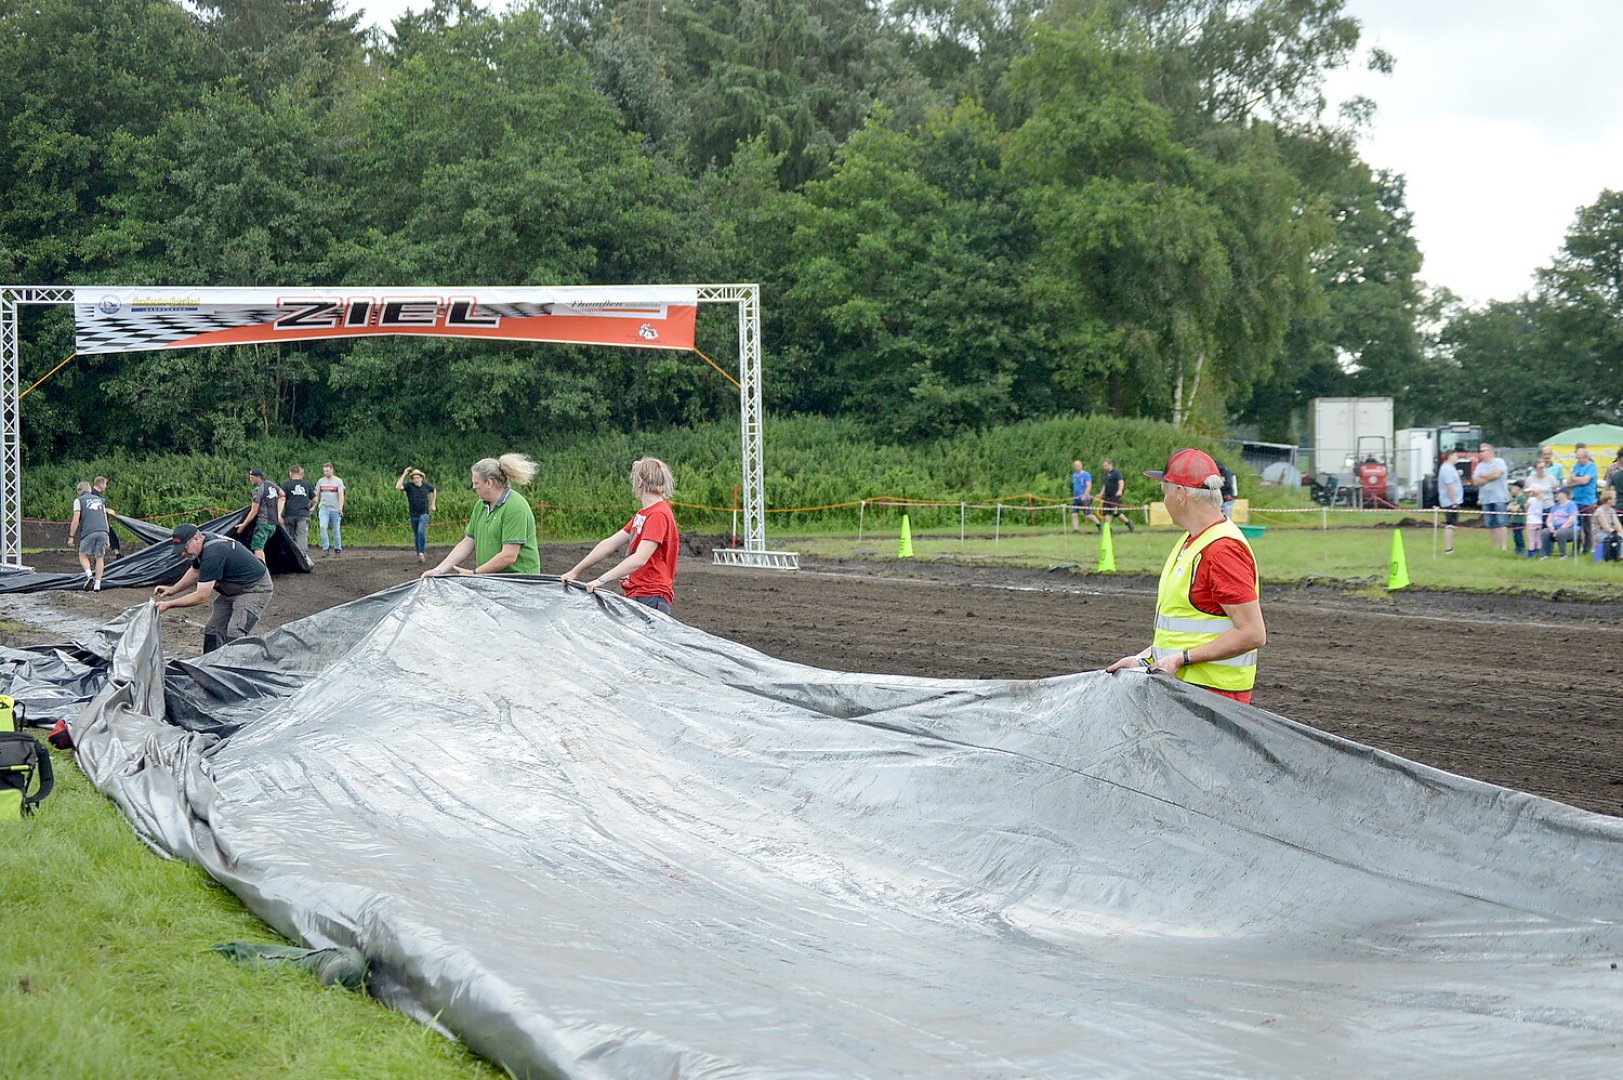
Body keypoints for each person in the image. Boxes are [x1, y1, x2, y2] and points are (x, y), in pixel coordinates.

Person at [1105, 449, 1265, 704]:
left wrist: (1181, 659)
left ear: (1180, 494)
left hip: (1212, 699)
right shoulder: (1193, 541)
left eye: (1164, 492)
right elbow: (1183, 632)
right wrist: (1141, 660)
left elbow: (1252, 633)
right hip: (1187, 693)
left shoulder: (1222, 551)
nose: (1164, 500)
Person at [561, 459, 681, 613]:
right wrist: (575, 571)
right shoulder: (643, 515)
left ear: (639, 482)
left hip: (650, 596)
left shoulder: (658, 514)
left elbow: (640, 558)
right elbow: (609, 544)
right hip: (638, 594)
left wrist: (601, 580)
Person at [154, 523, 273, 653]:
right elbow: (195, 571)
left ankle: (239, 670)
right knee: (213, 630)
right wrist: (172, 590)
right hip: (231, 590)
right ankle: (209, 668)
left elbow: (201, 596)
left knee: (236, 632)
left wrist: (169, 604)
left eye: (184, 547)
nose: (183, 553)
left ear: (196, 539)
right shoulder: (201, 546)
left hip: (255, 589)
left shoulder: (213, 552)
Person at [422, 454, 539, 577]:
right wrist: (438, 570)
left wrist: (474, 573)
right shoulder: (481, 506)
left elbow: (509, 556)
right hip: (493, 579)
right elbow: (469, 541)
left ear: (489, 482)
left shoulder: (515, 508)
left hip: (519, 583)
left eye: (476, 483)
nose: (473, 487)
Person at [66, 480, 110, 591]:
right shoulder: (101, 500)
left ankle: (89, 575)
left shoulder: (79, 500)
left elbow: (76, 520)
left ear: (80, 490)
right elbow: (105, 519)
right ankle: (97, 585)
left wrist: (71, 536)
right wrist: (107, 536)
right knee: (100, 557)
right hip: (103, 531)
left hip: (89, 531)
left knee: (83, 555)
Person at [236, 468, 281, 563]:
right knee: (261, 545)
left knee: (257, 546)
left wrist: (243, 525)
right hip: (273, 523)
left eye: (252, 477)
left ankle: (262, 572)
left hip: (263, 523)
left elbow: (254, 511)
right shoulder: (271, 485)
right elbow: (283, 495)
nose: (250, 479)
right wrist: (279, 513)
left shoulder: (258, 490)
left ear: (258, 477)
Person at [1472, 442, 1510, 552]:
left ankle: (1503, 547)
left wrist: (1483, 476)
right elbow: (1475, 481)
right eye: (1480, 451)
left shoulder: (1499, 462)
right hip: (1486, 499)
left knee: (1502, 522)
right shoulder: (1480, 466)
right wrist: (1490, 477)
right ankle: (1495, 547)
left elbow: (1497, 475)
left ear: (1490, 451)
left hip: (1499, 497)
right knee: (1491, 524)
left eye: (1483, 451)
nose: (1481, 453)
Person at [396, 467, 438, 564]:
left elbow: (434, 490)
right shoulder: (409, 486)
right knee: (416, 535)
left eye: (417, 477)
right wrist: (404, 474)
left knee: (420, 531)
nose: (416, 479)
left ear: (421, 478)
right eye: (414, 478)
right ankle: (418, 553)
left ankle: (421, 552)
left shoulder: (426, 486)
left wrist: (433, 504)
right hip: (413, 514)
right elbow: (398, 487)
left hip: (424, 513)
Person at [1566, 443, 1598, 553]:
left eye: (1579, 458)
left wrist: (1576, 480)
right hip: (1576, 500)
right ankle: (1576, 548)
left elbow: (1586, 481)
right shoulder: (1577, 466)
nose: (1578, 460)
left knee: (1587, 527)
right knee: (1576, 526)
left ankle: (1587, 549)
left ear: (1586, 457)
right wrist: (1578, 480)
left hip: (1588, 501)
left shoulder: (1591, 466)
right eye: (1577, 458)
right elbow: (1570, 480)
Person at [1437, 449, 1464, 554]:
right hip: (1450, 502)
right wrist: (1454, 502)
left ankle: (1450, 547)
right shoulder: (1447, 469)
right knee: (1450, 525)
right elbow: (1449, 486)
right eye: (1456, 456)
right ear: (1450, 456)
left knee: (1453, 525)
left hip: (1451, 501)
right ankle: (1448, 548)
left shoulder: (1450, 468)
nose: (1457, 458)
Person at [1096, 458, 1134, 532]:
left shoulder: (1116, 473)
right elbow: (1104, 486)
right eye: (1103, 466)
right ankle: (1108, 529)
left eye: (1105, 465)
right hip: (1107, 498)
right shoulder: (1105, 474)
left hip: (1115, 497)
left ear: (1110, 464)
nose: (1104, 467)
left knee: (1117, 514)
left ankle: (1128, 523)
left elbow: (1121, 482)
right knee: (1107, 513)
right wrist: (1100, 494)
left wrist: (1120, 491)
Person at [281, 466, 314, 552]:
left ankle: (291, 555)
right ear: (300, 474)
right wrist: (310, 507)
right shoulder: (307, 484)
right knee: (302, 535)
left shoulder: (286, 484)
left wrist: (281, 513)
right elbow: (315, 499)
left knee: (290, 536)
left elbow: (282, 499)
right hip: (302, 514)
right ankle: (302, 555)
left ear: (290, 474)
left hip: (289, 514)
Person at [316, 462, 345, 555]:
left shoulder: (338, 481)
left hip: (335, 509)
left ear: (332, 470)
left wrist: (340, 508)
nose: (326, 472)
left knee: (336, 529)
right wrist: (313, 507)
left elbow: (341, 495)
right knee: (323, 527)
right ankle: (326, 548)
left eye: (327, 470)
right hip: (324, 508)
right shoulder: (321, 481)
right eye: (324, 471)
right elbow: (317, 495)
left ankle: (337, 548)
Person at [1543, 489, 1578, 558]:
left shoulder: (1571, 504)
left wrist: (1561, 528)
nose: (1556, 495)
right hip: (1556, 527)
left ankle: (1563, 555)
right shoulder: (1555, 506)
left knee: (1560, 533)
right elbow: (1549, 519)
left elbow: (1572, 520)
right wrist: (1550, 527)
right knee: (1545, 532)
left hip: (1570, 528)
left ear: (1565, 495)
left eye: (1558, 493)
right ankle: (1545, 554)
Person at [92, 475, 121, 560]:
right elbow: (94, 507)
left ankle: (117, 554)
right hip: (97, 522)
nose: (106, 486)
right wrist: (107, 510)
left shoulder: (99, 495)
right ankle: (97, 559)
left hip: (104, 521)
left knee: (112, 537)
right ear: (100, 484)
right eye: (105, 484)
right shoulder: (92, 494)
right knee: (101, 540)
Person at [1068, 460, 1099, 531]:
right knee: (1074, 514)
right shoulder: (1074, 475)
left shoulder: (1086, 474)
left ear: (1081, 465)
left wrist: (1085, 495)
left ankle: (1098, 524)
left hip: (1085, 498)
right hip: (1076, 498)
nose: (1077, 467)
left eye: (1078, 465)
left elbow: (1089, 485)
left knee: (1087, 515)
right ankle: (1076, 529)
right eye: (1075, 466)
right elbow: (1075, 485)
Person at [1591, 490, 1621, 562]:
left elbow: (1617, 523)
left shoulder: (1612, 510)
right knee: (1618, 537)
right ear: (1608, 500)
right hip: (1599, 533)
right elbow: (1606, 527)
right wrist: (1616, 533)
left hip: (1610, 532)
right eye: (1614, 498)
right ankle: (1618, 556)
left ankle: (1618, 556)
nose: (1615, 500)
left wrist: (1621, 532)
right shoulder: (1599, 511)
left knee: (1621, 536)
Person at [1522, 487, 1545, 558]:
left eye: (1530, 492)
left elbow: (1525, 506)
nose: (1528, 493)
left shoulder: (1531, 499)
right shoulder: (1541, 500)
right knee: (1538, 538)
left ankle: (1531, 554)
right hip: (1539, 521)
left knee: (1531, 539)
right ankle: (1539, 552)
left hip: (1531, 521)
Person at [1507, 481, 1527, 556]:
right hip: (1514, 520)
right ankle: (1517, 550)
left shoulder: (1521, 498)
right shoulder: (1516, 498)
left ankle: (1521, 550)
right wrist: (1513, 507)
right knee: (1515, 536)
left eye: (1513, 488)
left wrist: (1513, 507)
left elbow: (1515, 509)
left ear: (1518, 488)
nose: (1512, 490)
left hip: (1519, 520)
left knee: (1519, 536)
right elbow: (1508, 507)